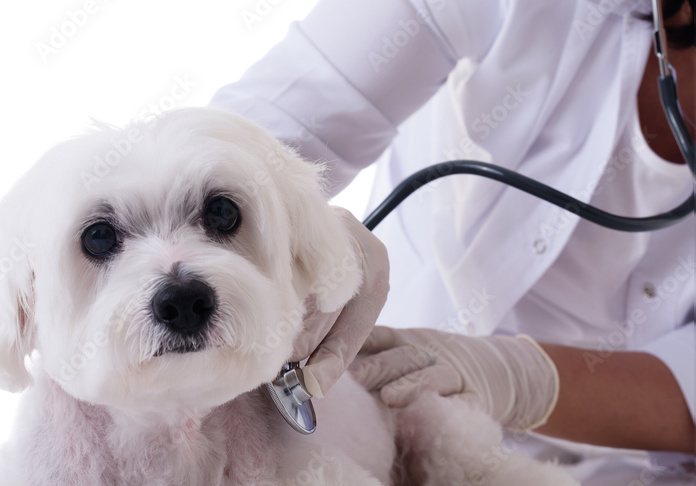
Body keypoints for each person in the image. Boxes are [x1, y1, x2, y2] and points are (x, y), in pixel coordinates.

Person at [211, 0, 695, 456]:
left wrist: (521, 380)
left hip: (635, 474)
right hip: (378, 406)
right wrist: (264, 225)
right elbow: (256, 133)